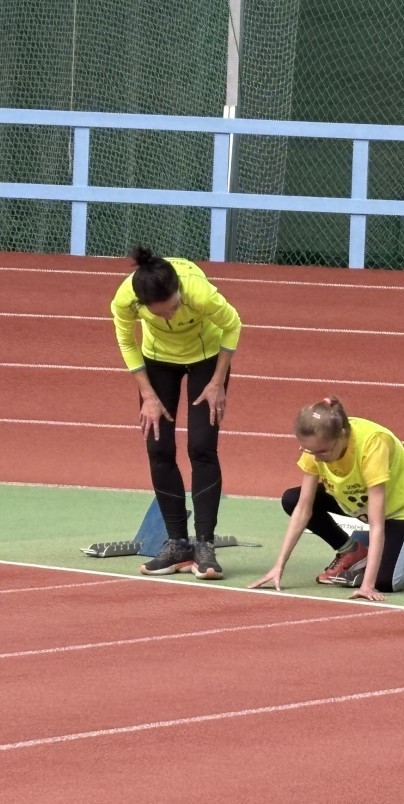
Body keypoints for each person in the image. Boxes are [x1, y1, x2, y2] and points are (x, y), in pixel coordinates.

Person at [110, 246, 241, 579]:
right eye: (160, 314)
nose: (170, 317)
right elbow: (127, 343)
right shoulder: (125, 300)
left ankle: (205, 546)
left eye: (173, 308)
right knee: (158, 447)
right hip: (157, 361)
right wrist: (148, 395)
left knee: (201, 447)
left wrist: (217, 382)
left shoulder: (198, 292)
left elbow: (233, 325)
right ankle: (178, 544)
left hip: (206, 358)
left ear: (179, 292)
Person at [248, 397, 404, 602]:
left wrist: (367, 585)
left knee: (386, 583)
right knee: (291, 499)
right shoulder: (318, 445)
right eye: (310, 451)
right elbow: (303, 508)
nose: (317, 458)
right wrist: (279, 566)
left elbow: (376, 524)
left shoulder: (374, 444)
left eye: (322, 452)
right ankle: (351, 551)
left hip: (396, 509)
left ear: (342, 435)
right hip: (352, 500)